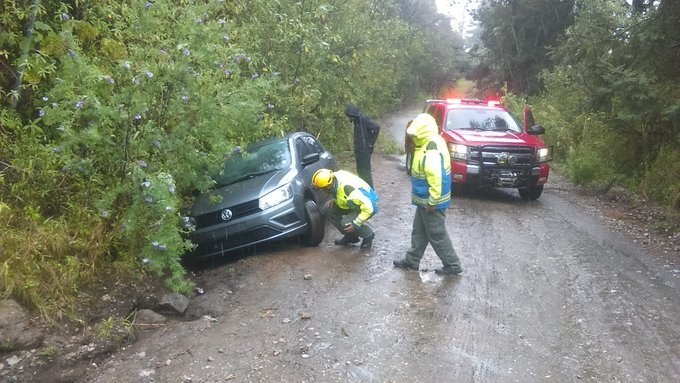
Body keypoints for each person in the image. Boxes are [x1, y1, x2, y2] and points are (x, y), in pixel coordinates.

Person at [393, 113, 463, 276]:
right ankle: (412, 260)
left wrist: (432, 201)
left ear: (421, 132)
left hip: (432, 202)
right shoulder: (426, 142)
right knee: (419, 230)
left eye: (414, 133)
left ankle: (452, 265)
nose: (412, 136)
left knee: (436, 234)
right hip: (425, 200)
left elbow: (435, 178)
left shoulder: (430, 149)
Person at [312, 168, 379, 249]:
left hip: (368, 205)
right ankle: (351, 236)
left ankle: (368, 235)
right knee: (328, 209)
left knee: (346, 223)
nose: (322, 191)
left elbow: (369, 208)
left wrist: (356, 224)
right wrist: (335, 200)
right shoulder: (333, 178)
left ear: (329, 185)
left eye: (323, 189)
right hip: (353, 202)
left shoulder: (348, 189)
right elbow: (340, 193)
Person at [345, 104, 380, 188]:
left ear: (353, 114)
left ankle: (370, 191)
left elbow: (376, 127)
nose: (350, 119)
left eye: (350, 116)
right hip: (359, 152)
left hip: (365, 151)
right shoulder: (356, 122)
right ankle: (364, 190)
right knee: (360, 172)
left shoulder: (363, 119)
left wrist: (370, 143)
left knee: (366, 173)